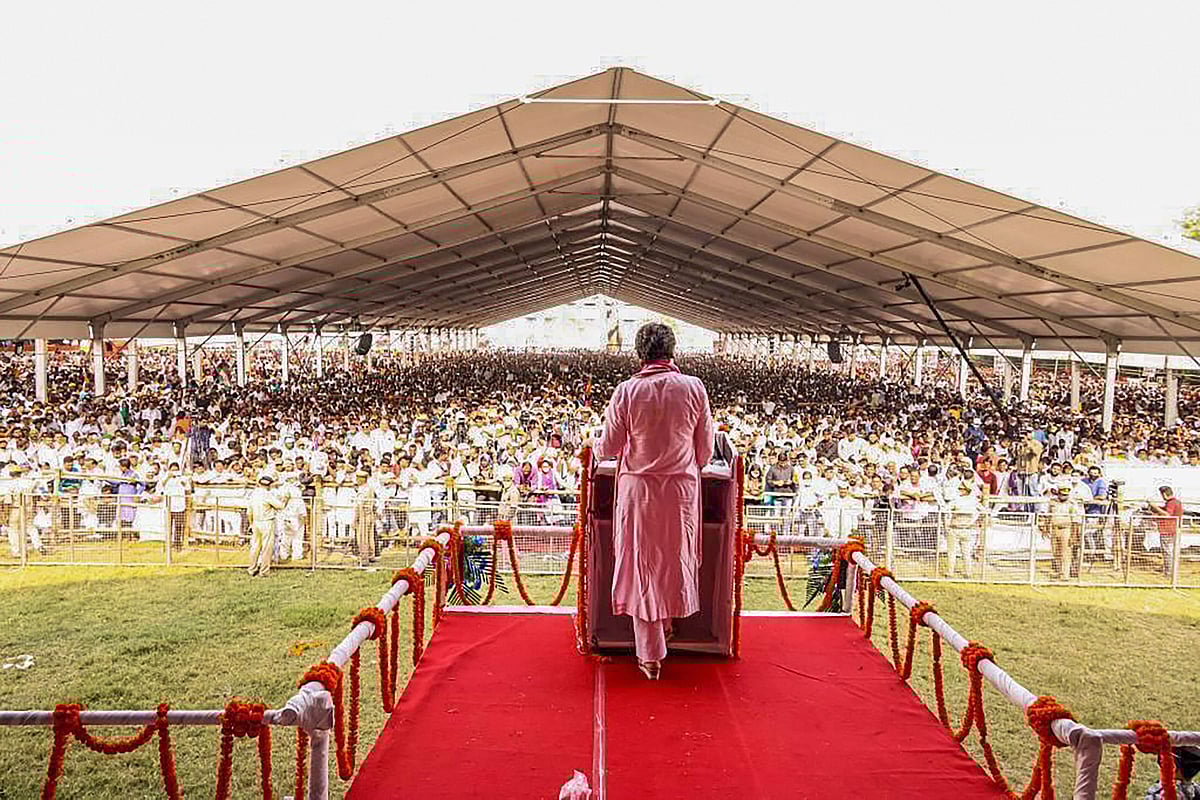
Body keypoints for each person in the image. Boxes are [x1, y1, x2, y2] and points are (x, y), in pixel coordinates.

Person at [590, 323, 714, 681]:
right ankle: (667, 626)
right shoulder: (694, 388)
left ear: (639, 354)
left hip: (639, 494)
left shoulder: (627, 391)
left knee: (643, 568)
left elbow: (608, 447)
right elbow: (705, 449)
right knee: (674, 561)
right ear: (673, 351)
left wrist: (595, 448)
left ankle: (650, 654)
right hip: (680, 493)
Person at [247, 473, 284, 577]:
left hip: (256, 522)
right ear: (269, 485)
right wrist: (285, 499)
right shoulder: (267, 495)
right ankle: (264, 571)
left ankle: (252, 569)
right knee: (267, 547)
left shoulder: (253, 494)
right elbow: (280, 506)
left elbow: (249, 512)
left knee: (255, 546)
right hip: (267, 522)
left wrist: (251, 523)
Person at [1147, 485, 1184, 581]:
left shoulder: (1171, 503)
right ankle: (1169, 569)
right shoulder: (1176, 502)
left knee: (1167, 552)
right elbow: (1165, 509)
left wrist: (1154, 506)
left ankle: (1169, 572)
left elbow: (1168, 514)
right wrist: (1155, 508)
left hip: (1168, 531)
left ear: (1164, 494)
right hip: (1174, 530)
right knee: (1171, 551)